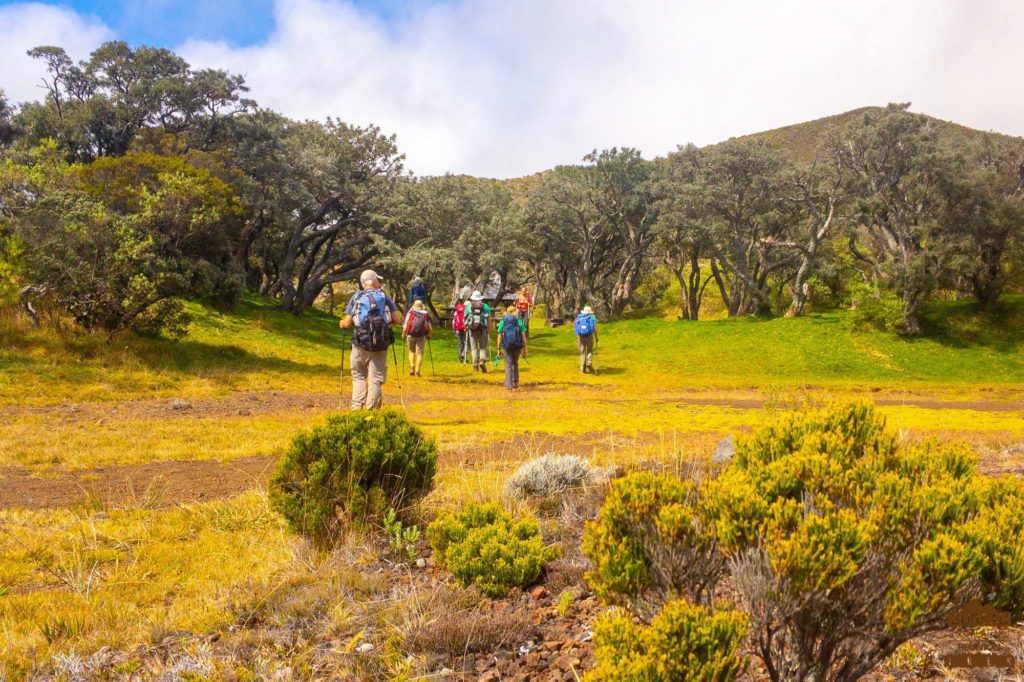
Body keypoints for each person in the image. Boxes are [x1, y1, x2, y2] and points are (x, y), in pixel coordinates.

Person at [339, 269, 401, 409]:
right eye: (377, 280)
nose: (379, 282)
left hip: (360, 343)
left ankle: (356, 409)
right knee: (375, 379)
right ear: (373, 281)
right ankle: (371, 411)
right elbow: (397, 319)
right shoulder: (384, 296)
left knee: (358, 376)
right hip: (380, 344)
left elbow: (347, 322)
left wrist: (341, 323)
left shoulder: (356, 297)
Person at [497, 305, 528, 390]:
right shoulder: (519, 322)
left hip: (506, 346)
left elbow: (499, 336)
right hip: (517, 346)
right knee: (515, 363)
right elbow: (523, 336)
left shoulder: (503, 322)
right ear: (514, 312)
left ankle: (509, 385)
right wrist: (525, 348)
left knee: (508, 365)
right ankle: (515, 382)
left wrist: (498, 349)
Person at [403, 299, 432, 376]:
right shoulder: (425, 314)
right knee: (419, 353)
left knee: (411, 351)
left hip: (410, 335)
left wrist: (403, 334)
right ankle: (417, 370)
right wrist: (429, 335)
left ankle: (412, 366)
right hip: (421, 336)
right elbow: (430, 328)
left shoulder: (410, 313)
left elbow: (405, 325)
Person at [466, 290, 491, 373]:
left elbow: (465, 318)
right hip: (482, 328)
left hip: (472, 329)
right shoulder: (485, 306)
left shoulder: (468, 307)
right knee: (483, 347)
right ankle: (482, 361)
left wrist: (466, 326)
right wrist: (488, 328)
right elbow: (489, 318)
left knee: (474, 348)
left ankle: (475, 366)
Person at [574, 305, 598, 374]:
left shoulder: (578, 317)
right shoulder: (592, 318)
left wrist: (577, 336)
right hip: (589, 336)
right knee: (590, 350)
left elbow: (575, 327)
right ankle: (589, 363)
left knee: (582, 352)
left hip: (580, 336)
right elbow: (594, 329)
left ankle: (583, 369)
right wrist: (596, 337)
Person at [452, 292, 469, 364]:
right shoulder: (466, 308)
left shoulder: (457, 308)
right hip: (465, 327)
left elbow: (454, 320)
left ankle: (460, 358)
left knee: (460, 342)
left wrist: (454, 329)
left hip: (458, 328)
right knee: (468, 342)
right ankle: (463, 354)